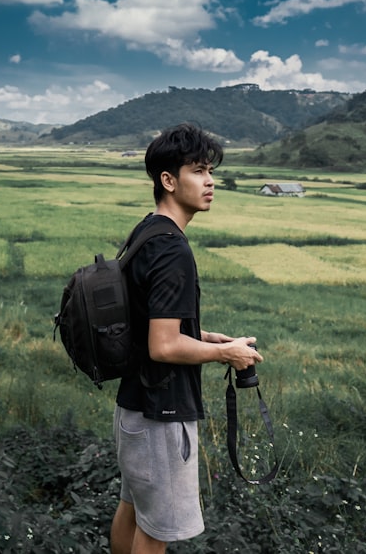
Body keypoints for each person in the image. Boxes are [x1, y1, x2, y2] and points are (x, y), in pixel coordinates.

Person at [110, 123, 263, 554]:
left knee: (132, 509)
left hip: (133, 407)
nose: (210, 181)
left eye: (210, 170)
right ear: (169, 180)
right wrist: (224, 353)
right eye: (198, 170)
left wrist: (211, 338)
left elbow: (155, 326)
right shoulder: (173, 248)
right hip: (162, 412)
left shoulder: (147, 230)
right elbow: (163, 346)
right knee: (157, 530)